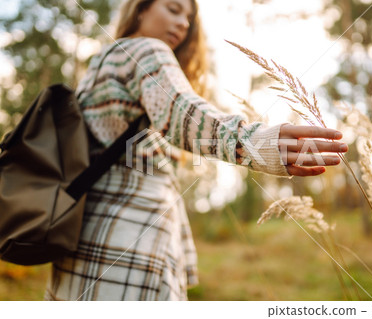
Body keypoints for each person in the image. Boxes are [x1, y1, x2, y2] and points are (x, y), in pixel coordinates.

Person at [45, 0, 348, 301]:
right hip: (129, 240)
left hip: (80, 235)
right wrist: (253, 141)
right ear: (140, 8)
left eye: (188, 18)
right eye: (173, 9)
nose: (183, 23)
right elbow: (179, 110)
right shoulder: (146, 50)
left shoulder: (99, 64)